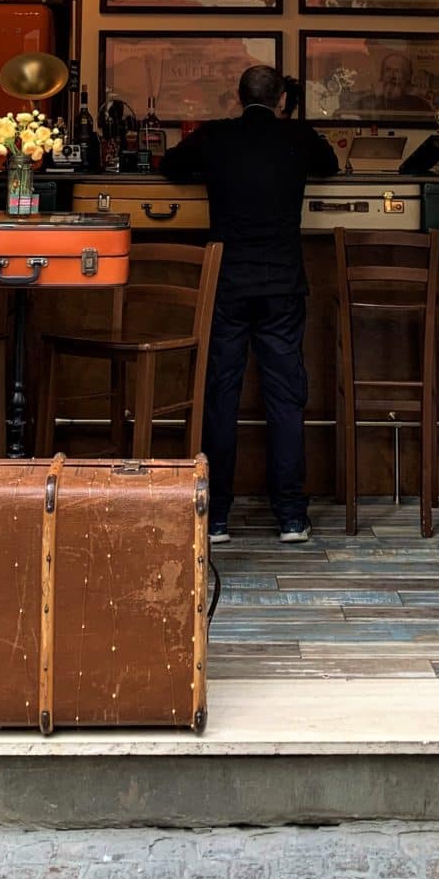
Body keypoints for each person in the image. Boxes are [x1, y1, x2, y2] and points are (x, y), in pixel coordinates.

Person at [161, 63, 338, 544]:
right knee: (286, 398)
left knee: (221, 396)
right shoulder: (298, 136)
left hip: (228, 283)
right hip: (282, 283)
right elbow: (330, 165)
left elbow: (169, 166)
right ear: (281, 100)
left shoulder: (215, 136)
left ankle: (216, 515)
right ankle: (291, 517)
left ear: (238, 98)